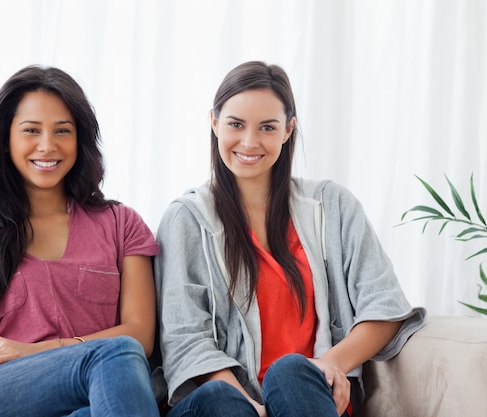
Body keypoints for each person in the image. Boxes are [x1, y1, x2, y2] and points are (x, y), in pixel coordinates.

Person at [153, 61, 427, 417]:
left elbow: (385, 306)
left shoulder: (332, 205)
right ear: (214, 122)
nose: (249, 142)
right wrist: (252, 407)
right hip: (229, 405)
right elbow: (186, 339)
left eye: (267, 127)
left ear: (288, 130)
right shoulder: (186, 219)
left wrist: (328, 365)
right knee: (222, 400)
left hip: (305, 397)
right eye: (236, 124)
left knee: (294, 371)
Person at [0, 65, 161, 417]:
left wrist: (33, 350)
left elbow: (140, 333)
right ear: (6, 139)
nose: (48, 146)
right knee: (117, 351)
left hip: (87, 396)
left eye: (63, 131)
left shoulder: (121, 224)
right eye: (31, 130)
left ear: (81, 140)